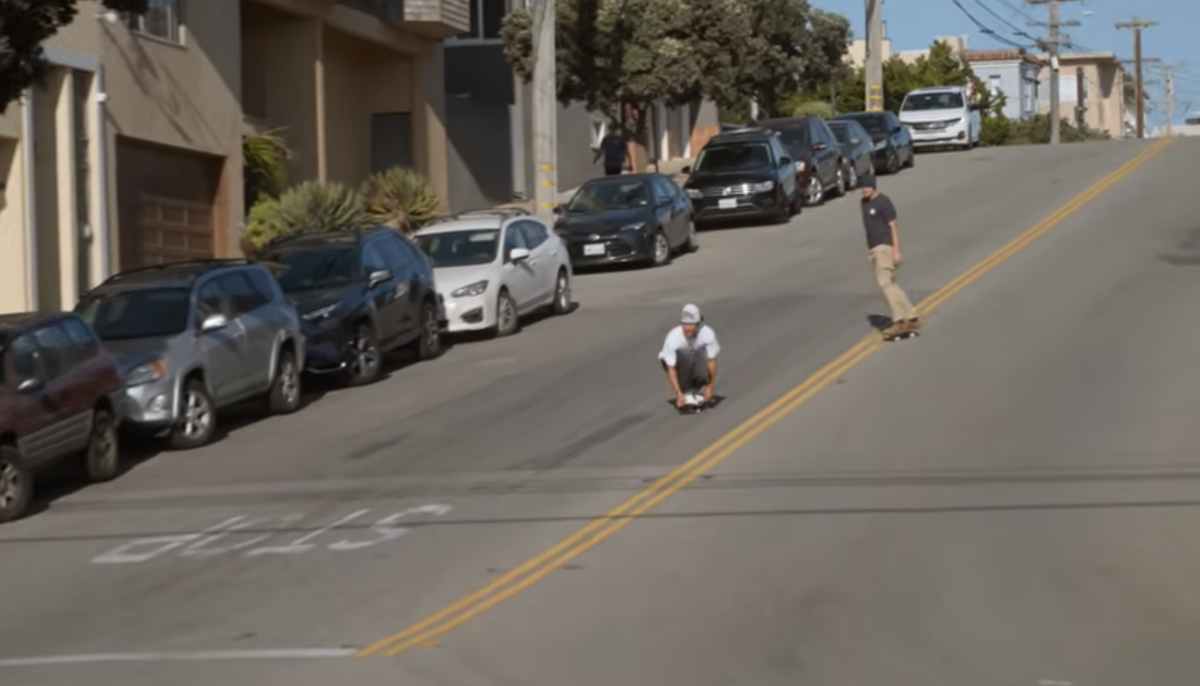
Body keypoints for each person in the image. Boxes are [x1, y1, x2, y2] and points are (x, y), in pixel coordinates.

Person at [859, 176, 919, 336]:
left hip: (885, 246)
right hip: (874, 249)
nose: (864, 190)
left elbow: (893, 226)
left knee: (885, 283)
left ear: (873, 187)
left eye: (867, 187)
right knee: (891, 284)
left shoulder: (883, 202)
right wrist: (869, 250)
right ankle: (911, 315)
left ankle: (899, 320)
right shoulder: (864, 204)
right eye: (862, 187)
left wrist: (896, 250)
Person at [659, 304, 720, 408]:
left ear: (698, 324)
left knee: (702, 354)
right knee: (667, 358)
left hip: (698, 360)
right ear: (681, 323)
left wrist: (710, 386)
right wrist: (678, 394)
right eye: (685, 324)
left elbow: (711, 360)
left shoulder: (707, 333)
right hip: (682, 363)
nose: (688, 328)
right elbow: (671, 368)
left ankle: (697, 387)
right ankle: (684, 391)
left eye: (692, 325)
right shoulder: (673, 338)